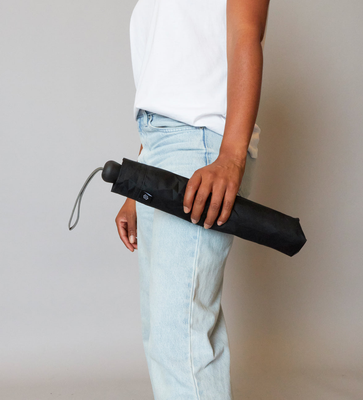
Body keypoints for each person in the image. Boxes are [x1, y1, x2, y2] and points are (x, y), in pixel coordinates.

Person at [115, 0, 270, 398]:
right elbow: (167, 81)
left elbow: (246, 34)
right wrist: (140, 178)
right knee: (164, 334)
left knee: (179, 337)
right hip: (160, 147)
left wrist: (232, 155)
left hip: (200, 145)